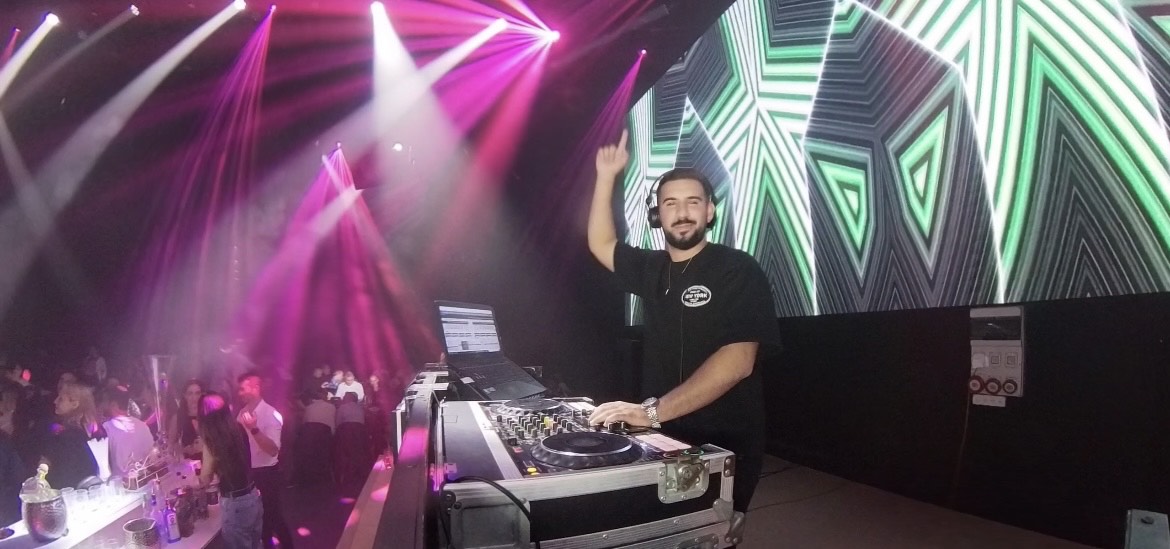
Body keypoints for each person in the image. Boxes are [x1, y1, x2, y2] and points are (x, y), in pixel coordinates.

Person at [585, 130, 781, 517]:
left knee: (711, 534)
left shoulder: (738, 269)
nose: (683, 212)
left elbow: (738, 361)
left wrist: (651, 413)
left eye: (693, 201)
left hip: (723, 441)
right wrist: (606, 177)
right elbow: (601, 243)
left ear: (709, 212)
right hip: (663, 434)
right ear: (657, 215)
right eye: (670, 203)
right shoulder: (651, 268)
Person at [198, 392, 262, 549]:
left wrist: (193, 482)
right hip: (253, 496)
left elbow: (205, 478)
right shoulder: (237, 427)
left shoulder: (211, 437)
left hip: (235, 504)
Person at [236, 371, 293, 548]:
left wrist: (254, 429)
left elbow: (273, 450)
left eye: (243, 389)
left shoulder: (271, 414)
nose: (239, 393)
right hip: (249, 473)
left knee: (273, 516)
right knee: (259, 520)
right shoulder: (242, 413)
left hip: (267, 474)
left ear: (256, 387)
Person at [41, 381, 101, 489]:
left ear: (75, 404)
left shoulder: (68, 436)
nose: (55, 401)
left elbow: (63, 474)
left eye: (61, 399)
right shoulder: (91, 430)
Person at [100, 386, 153, 479]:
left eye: (105, 403)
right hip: (148, 479)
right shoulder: (142, 425)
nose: (102, 406)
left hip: (122, 484)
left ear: (113, 405)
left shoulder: (107, 428)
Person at [168, 380, 205, 459]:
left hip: (208, 462)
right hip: (187, 462)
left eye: (197, 393)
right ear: (185, 396)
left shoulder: (208, 415)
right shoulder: (178, 418)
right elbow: (170, 445)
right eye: (190, 393)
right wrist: (183, 450)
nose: (194, 398)